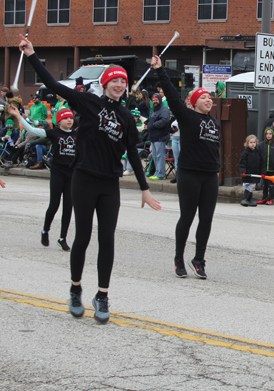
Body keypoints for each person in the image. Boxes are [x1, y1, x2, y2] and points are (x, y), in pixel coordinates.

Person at [18, 34, 161, 324]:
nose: (119, 85)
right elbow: (55, 84)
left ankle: (103, 295)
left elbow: (133, 153)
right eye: (114, 80)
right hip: (83, 179)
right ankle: (75, 289)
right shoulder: (87, 103)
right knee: (82, 237)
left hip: (110, 183)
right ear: (105, 83)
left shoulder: (126, 116)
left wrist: (145, 189)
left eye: (122, 81)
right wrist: (32, 54)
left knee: (107, 239)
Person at [152, 54, 219, 280]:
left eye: (210, 98)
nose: (209, 100)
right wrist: (160, 70)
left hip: (209, 176)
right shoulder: (187, 116)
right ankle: (179, 257)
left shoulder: (214, 122)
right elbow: (171, 96)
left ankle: (198, 259)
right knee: (187, 217)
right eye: (204, 98)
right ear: (194, 102)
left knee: (207, 219)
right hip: (189, 173)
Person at [9, 106, 77, 251]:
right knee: (54, 205)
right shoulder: (54, 133)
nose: (69, 120)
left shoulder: (78, 135)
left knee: (68, 207)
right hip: (58, 173)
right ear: (59, 121)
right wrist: (18, 116)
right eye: (65, 118)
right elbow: (33, 130)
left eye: (71, 117)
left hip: (71, 175)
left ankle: (62, 238)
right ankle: (45, 230)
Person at [147, 93, 170, 181]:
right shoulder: (154, 109)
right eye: (153, 100)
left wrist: (154, 125)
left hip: (160, 136)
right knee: (155, 156)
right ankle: (157, 172)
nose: (154, 101)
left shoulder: (164, 109)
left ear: (160, 100)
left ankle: (161, 174)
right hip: (153, 136)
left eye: (156, 100)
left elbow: (165, 120)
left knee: (160, 155)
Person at [256, 128, 274, 205]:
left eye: (270, 134)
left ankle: (270, 198)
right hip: (264, 169)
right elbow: (258, 156)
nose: (268, 135)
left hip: (272, 169)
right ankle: (264, 198)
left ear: (272, 135)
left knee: (271, 185)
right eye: (267, 134)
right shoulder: (261, 145)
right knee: (264, 184)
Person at [239, 135, 263, 207]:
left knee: (252, 186)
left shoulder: (258, 152)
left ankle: (249, 200)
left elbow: (261, 162)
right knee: (249, 187)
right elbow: (242, 162)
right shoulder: (246, 152)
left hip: (255, 173)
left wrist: (262, 172)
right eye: (251, 142)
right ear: (247, 143)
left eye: (254, 142)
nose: (253, 144)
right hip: (247, 173)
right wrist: (243, 171)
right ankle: (245, 199)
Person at [170, 118, 180, 183]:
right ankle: (177, 177)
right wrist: (172, 130)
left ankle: (181, 176)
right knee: (176, 158)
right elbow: (167, 128)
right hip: (174, 137)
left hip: (181, 137)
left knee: (181, 157)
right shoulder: (173, 119)